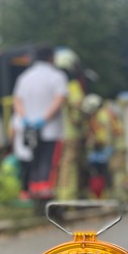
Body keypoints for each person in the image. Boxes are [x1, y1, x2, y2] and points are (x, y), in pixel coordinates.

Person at [12, 45, 68, 200]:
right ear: (51, 58)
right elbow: (60, 99)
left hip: (29, 129)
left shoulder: (24, 77)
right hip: (51, 130)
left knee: (33, 160)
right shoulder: (57, 76)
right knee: (48, 162)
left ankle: (33, 192)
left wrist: (25, 119)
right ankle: (45, 195)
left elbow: (17, 100)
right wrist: (44, 119)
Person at [54, 47, 86, 200]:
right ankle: (68, 201)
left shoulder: (54, 85)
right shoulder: (73, 87)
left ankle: (60, 198)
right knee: (71, 170)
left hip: (54, 135)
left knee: (59, 168)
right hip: (71, 135)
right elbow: (78, 113)